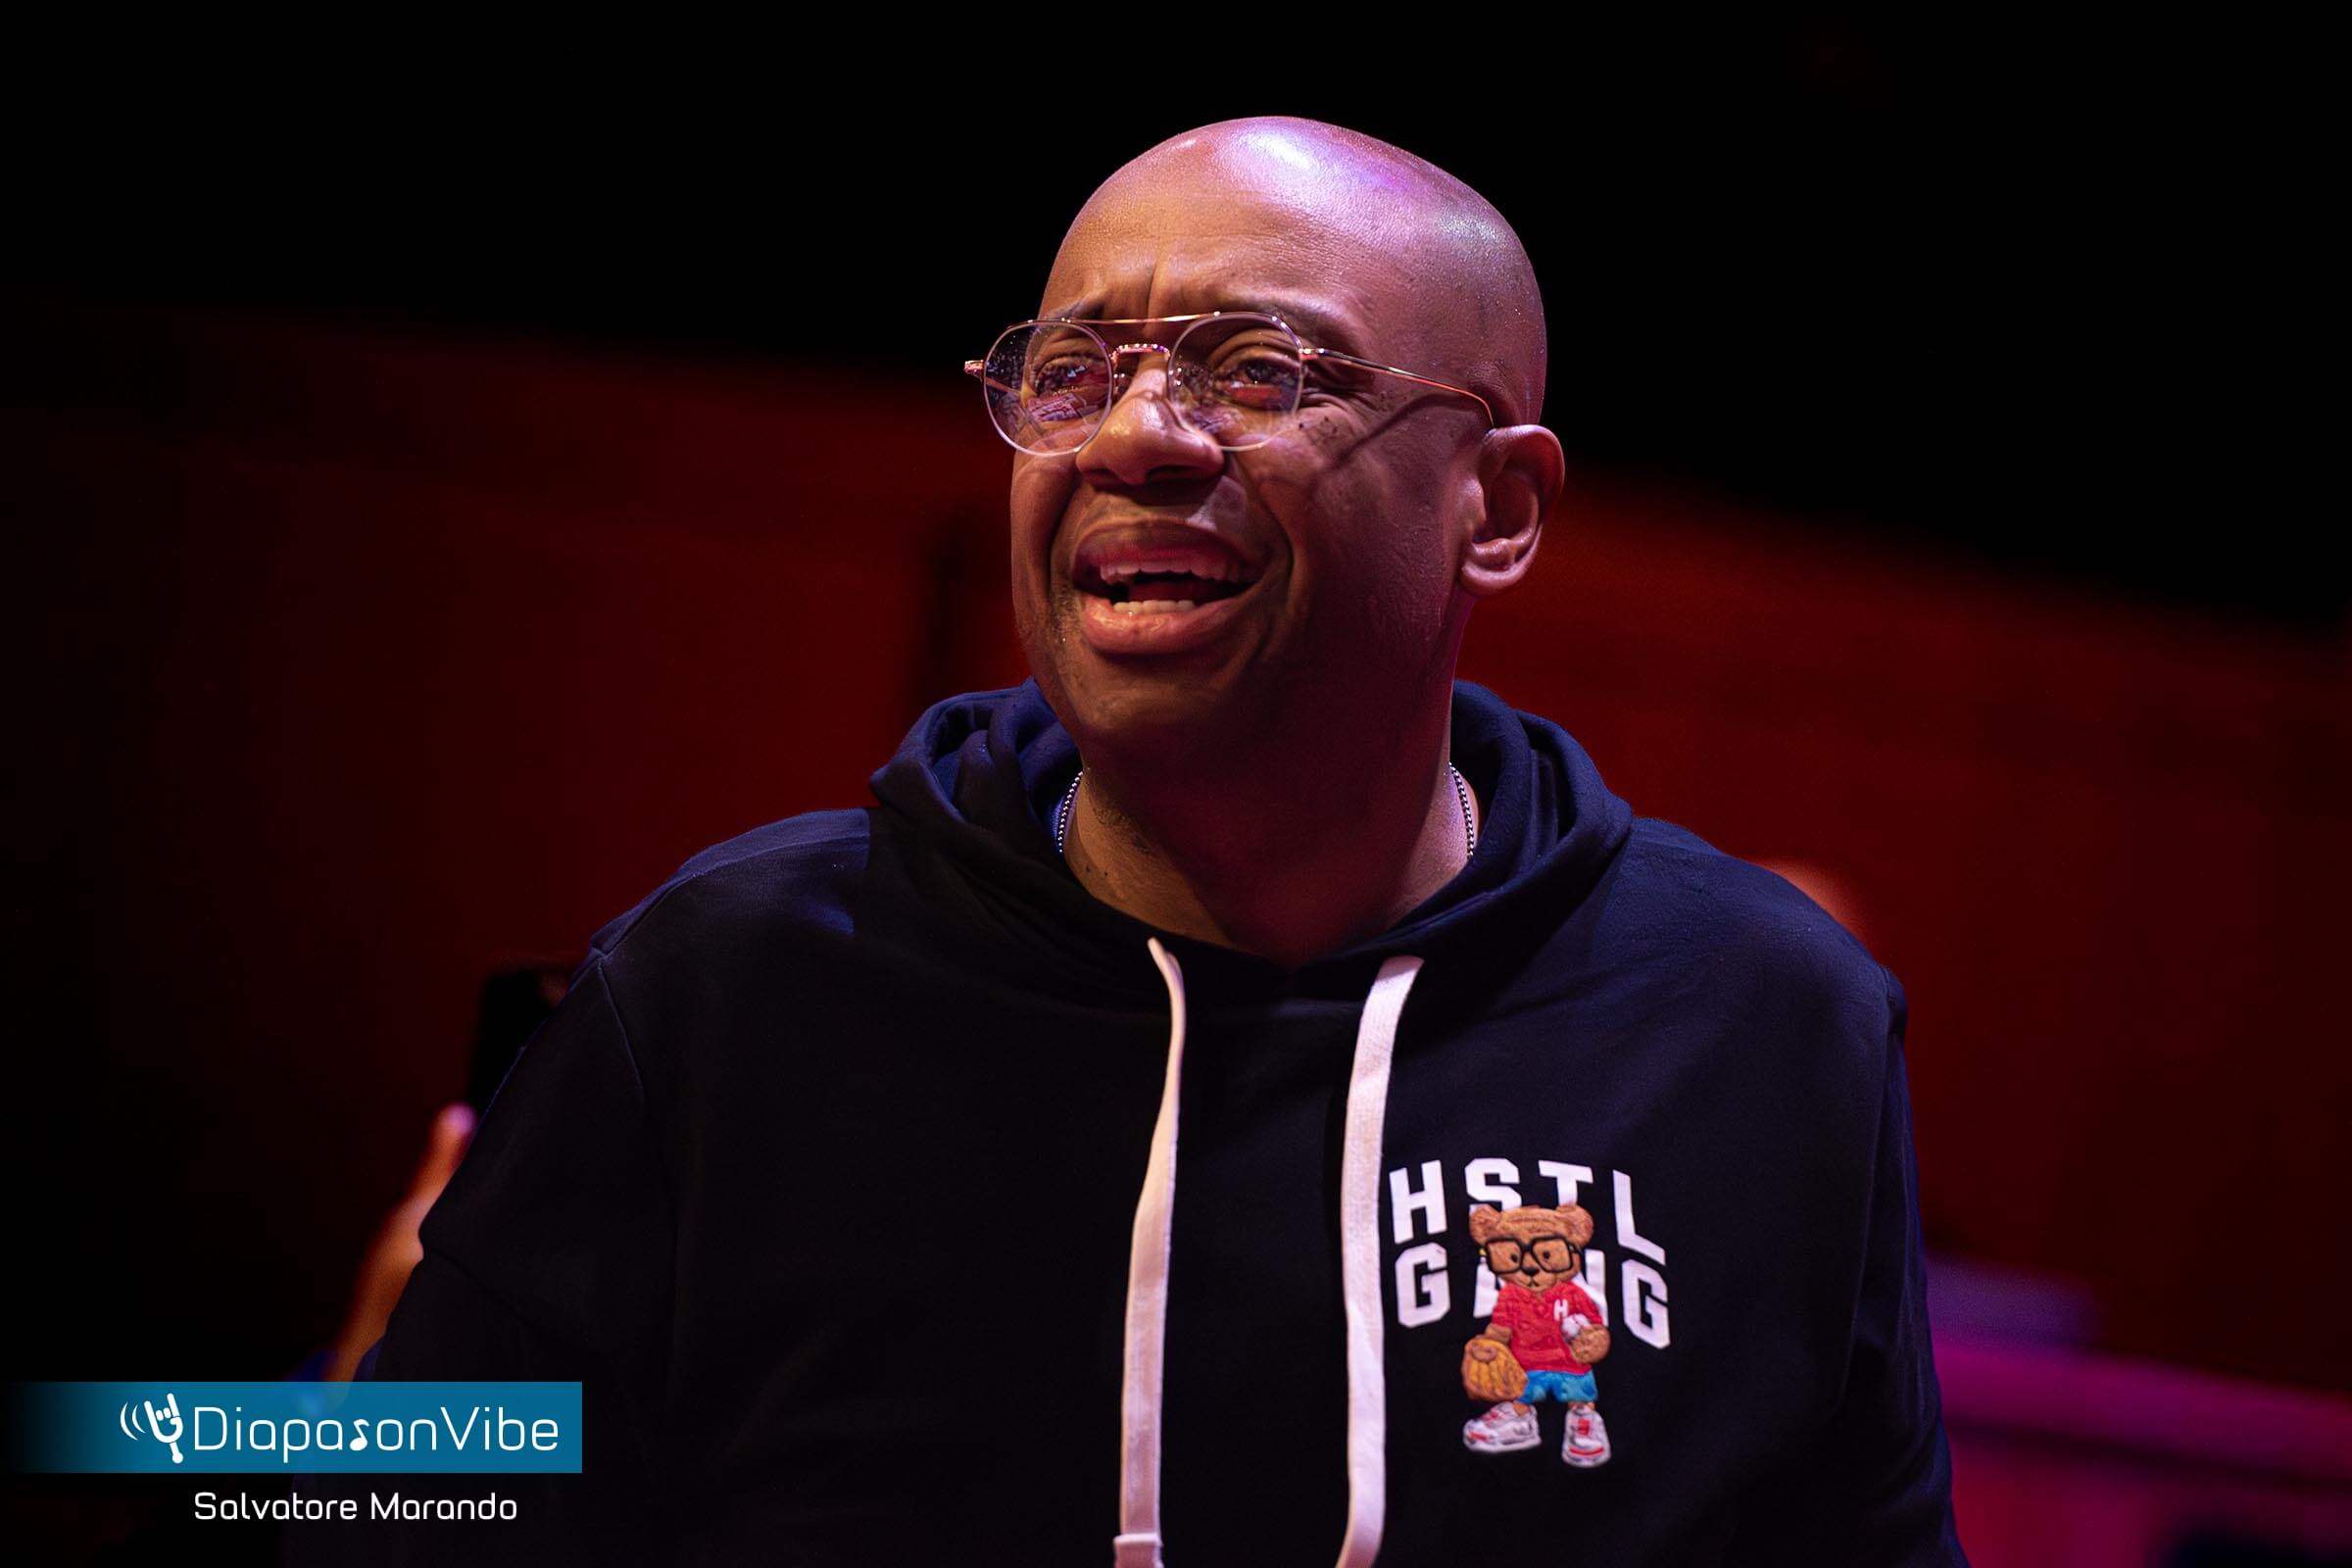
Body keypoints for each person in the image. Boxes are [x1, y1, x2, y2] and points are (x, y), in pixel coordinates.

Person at [295, 117, 1966, 1565]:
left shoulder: (1761, 1023)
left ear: (1500, 506)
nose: (1131, 437)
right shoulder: (724, 985)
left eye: (1259, 373)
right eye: (1072, 374)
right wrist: (341, 1437)